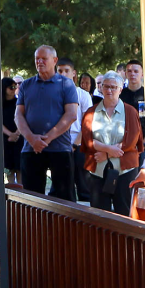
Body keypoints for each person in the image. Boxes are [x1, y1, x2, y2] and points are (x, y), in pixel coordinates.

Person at [16, 45, 79, 200]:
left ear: (55, 60)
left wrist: (47, 138)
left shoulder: (66, 84)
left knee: (65, 200)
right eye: (37, 58)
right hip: (31, 149)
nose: (40, 62)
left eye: (44, 58)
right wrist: (32, 139)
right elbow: (18, 115)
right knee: (32, 200)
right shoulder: (26, 85)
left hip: (60, 148)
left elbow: (71, 115)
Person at [80, 73, 144, 215]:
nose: (109, 90)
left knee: (124, 213)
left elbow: (131, 140)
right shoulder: (91, 112)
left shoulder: (130, 111)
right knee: (99, 214)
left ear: (120, 90)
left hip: (125, 170)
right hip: (97, 169)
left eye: (113, 87)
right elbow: (87, 139)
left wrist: (107, 155)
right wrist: (108, 149)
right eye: (106, 86)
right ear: (101, 88)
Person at [56, 57, 94, 202]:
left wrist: (75, 144)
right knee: (63, 185)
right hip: (59, 143)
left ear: (74, 73)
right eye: (60, 71)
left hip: (79, 143)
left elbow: (88, 122)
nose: (63, 74)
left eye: (67, 71)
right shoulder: (53, 93)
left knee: (83, 184)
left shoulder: (83, 95)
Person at [1, 77, 23, 186]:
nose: (14, 89)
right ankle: (11, 192)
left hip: (19, 138)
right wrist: (10, 134)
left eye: (15, 86)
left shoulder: (19, 102)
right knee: (8, 168)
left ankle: (22, 192)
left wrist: (17, 133)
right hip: (5, 139)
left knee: (20, 168)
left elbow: (24, 118)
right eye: (11, 87)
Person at [120, 59, 145, 148]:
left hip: (144, 142)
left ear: (142, 74)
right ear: (125, 74)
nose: (132, 74)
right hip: (124, 142)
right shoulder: (120, 95)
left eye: (136, 71)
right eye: (129, 71)